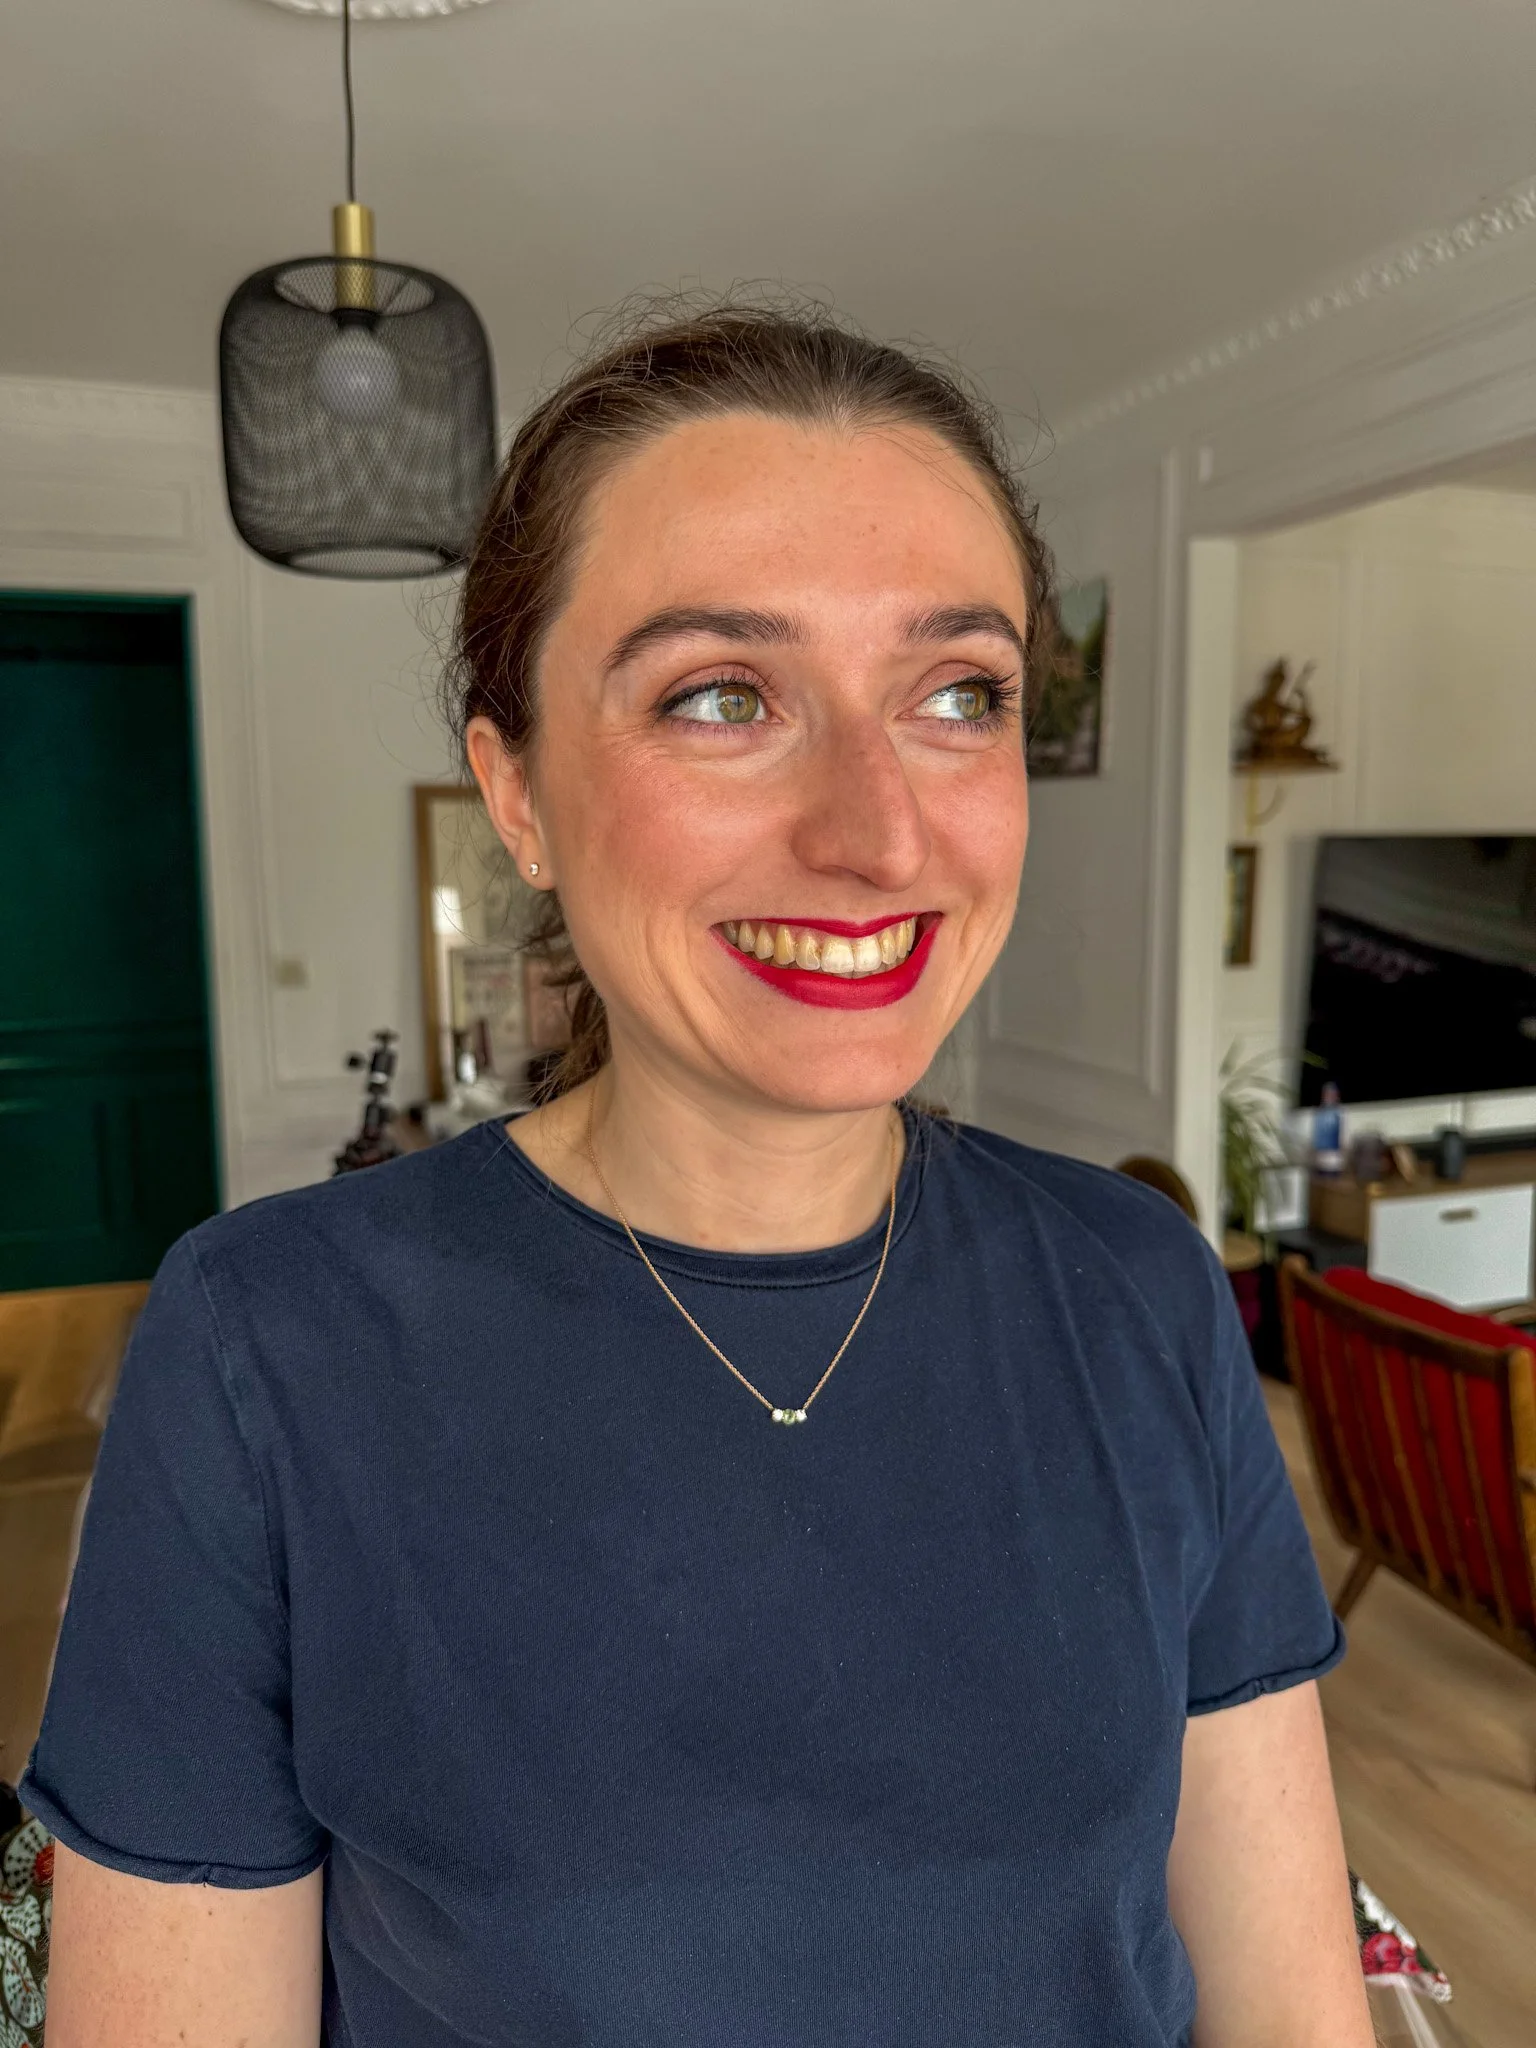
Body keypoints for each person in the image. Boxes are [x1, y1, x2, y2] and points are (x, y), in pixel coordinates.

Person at [25, 303, 1372, 2048]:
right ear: (514, 794)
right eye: (723, 697)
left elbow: (1289, 2013)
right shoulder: (267, 1344)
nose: (878, 831)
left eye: (959, 694)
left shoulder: (1138, 1289)